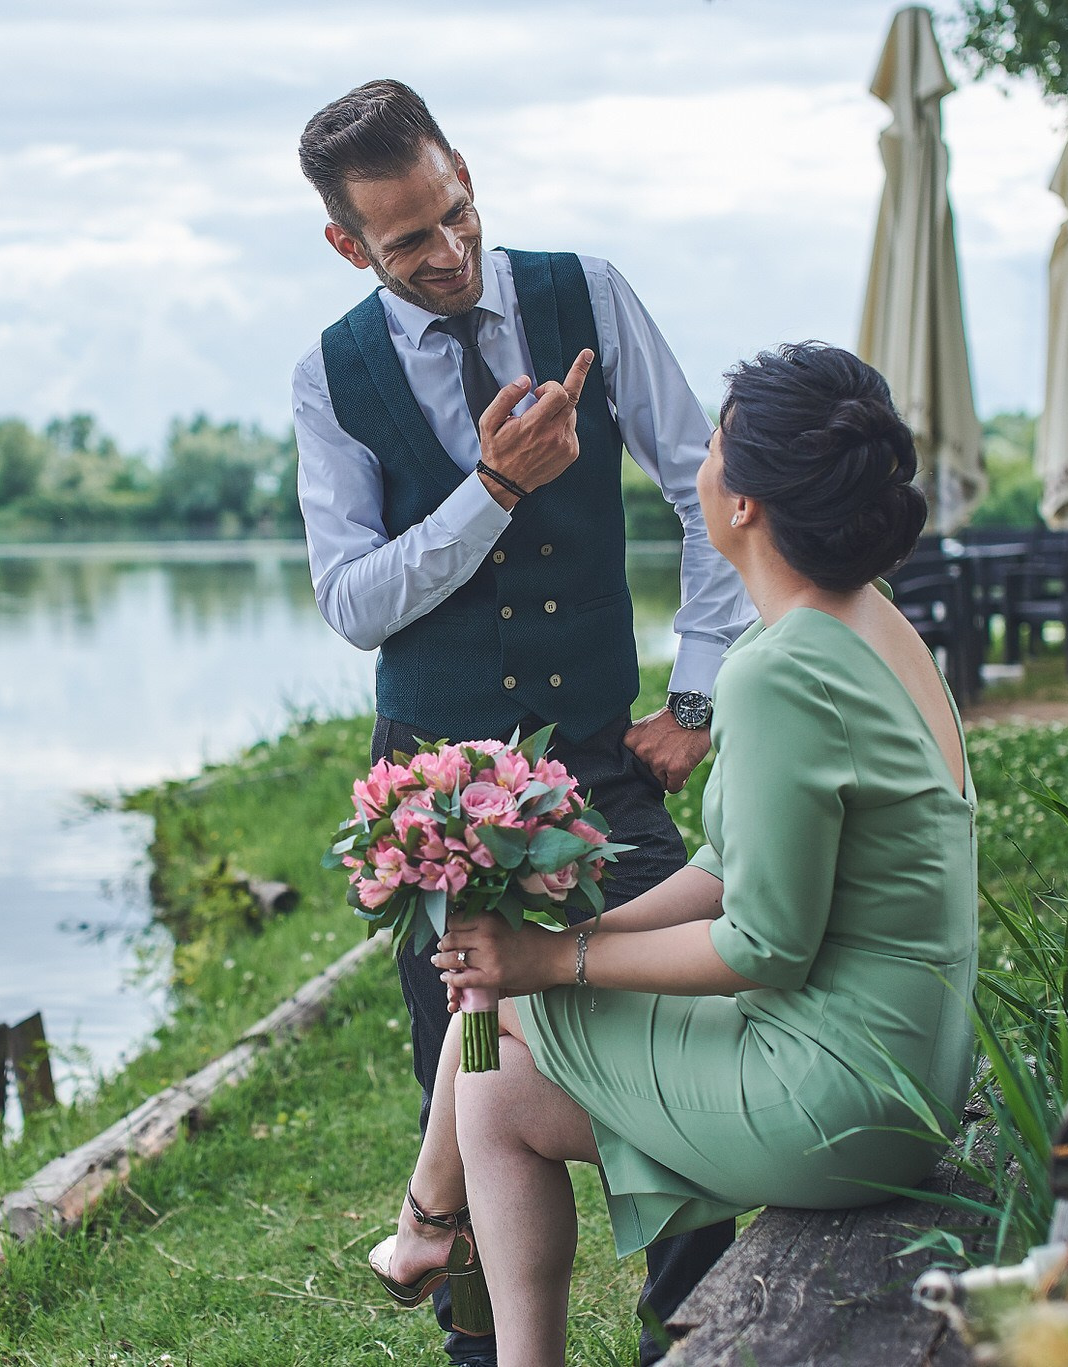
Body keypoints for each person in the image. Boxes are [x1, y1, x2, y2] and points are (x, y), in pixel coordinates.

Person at [368, 343, 980, 1366]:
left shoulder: (775, 671)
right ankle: (434, 1228)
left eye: (718, 440)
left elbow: (762, 943)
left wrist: (551, 962)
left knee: (501, 1004)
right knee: (494, 1082)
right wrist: (585, 929)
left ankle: (430, 1221)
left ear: (743, 504)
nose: (698, 454)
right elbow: (734, 861)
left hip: (841, 1096)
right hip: (901, 1066)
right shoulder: (869, 621)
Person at [291, 80, 753, 1366]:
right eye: (404, 242)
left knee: (679, 1036)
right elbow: (351, 598)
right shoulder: (329, 376)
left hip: (602, 766)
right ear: (346, 245)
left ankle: (698, 1331)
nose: (446, 255)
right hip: (433, 804)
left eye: (455, 213)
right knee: (470, 1072)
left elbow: (702, 485)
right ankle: (483, 1347)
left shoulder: (584, 292)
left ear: (463, 172)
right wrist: (493, 488)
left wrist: (697, 693)